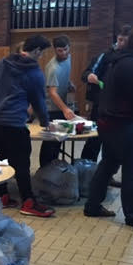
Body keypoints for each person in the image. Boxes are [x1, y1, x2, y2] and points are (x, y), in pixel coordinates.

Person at [84, 25, 133, 230]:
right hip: (124, 123)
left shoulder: (118, 60)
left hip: (109, 121)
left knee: (108, 164)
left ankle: (92, 206)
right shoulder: (131, 64)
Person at [0, 35, 56, 217]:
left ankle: (3, 196)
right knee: (22, 163)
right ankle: (28, 202)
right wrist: (46, 123)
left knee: (0, 160)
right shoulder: (33, 71)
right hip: (15, 123)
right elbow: (39, 101)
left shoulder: (1, 63)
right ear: (37, 51)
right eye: (42, 53)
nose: (41, 56)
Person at [80, 25, 131, 166]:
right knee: (95, 139)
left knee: (113, 143)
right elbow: (85, 74)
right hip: (101, 105)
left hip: (120, 108)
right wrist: (90, 76)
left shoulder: (132, 59)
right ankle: (86, 168)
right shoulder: (105, 55)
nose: (121, 43)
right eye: (120, 40)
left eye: (125, 41)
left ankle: (106, 172)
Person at [39, 35, 76, 167]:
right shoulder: (53, 68)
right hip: (52, 108)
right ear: (54, 50)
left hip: (61, 105)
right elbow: (52, 92)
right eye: (60, 50)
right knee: (51, 142)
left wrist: (69, 84)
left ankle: (53, 169)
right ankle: (45, 169)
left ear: (69, 47)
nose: (63, 53)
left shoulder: (68, 58)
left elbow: (62, 79)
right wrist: (65, 109)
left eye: (65, 49)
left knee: (58, 142)